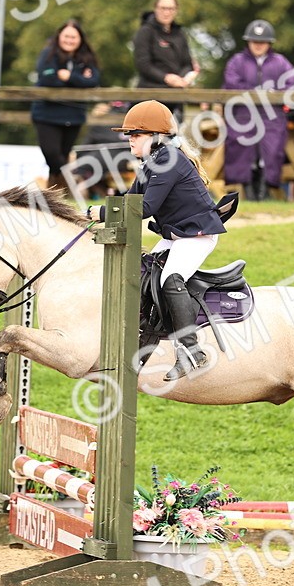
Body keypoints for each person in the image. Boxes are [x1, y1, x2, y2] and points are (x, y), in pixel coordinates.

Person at [111, 101, 225, 381]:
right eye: (129, 135)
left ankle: (192, 350)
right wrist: (91, 218)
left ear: (155, 136)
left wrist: (100, 213)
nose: (130, 140)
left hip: (196, 235)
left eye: (135, 134)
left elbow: (144, 209)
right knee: (146, 275)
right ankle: (142, 346)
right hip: (178, 236)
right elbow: (129, 201)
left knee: (170, 279)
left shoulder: (169, 161)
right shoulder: (149, 163)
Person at [222, 19, 294, 201]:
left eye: (262, 42)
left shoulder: (280, 62)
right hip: (244, 115)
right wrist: (254, 92)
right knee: (242, 151)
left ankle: (264, 191)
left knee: (271, 151)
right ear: (248, 42)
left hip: (272, 116)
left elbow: (293, 83)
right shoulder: (237, 61)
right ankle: (249, 193)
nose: (258, 45)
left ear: (269, 43)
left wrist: (275, 94)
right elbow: (231, 83)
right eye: (255, 41)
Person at [30, 20, 101, 185]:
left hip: (73, 116)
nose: (70, 40)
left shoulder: (87, 57)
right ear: (59, 37)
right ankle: (69, 184)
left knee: (62, 155)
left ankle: (56, 198)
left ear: (80, 39)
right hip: (46, 115)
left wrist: (69, 76)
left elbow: (94, 81)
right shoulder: (48, 54)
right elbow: (47, 78)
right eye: (66, 36)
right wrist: (80, 79)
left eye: (74, 37)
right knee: (52, 155)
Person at [132, 0, 199, 119]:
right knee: (150, 138)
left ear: (176, 10)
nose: (167, 12)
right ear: (155, 8)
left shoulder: (180, 34)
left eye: (171, 9)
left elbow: (188, 63)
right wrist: (167, 78)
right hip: (150, 98)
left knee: (173, 138)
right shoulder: (145, 31)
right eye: (163, 8)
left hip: (176, 99)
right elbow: (143, 64)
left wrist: (181, 79)